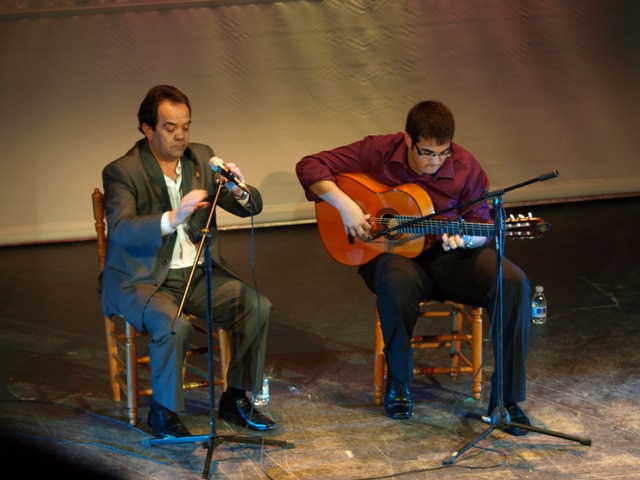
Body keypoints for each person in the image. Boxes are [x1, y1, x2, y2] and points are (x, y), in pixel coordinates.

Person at [296, 100, 532, 436]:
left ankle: (506, 400)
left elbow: (482, 225)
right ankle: (400, 382)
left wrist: (465, 241)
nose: (435, 162)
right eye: (427, 153)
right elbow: (309, 166)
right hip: (393, 256)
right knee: (396, 281)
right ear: (408, 140)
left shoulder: (465, 166)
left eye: (443, 153)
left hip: (449, 257)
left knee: (512, 280)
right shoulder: (379, 150)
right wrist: (345, 205)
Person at [100, 85, 276, 438]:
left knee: (255, 306)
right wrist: (171, 217)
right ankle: (163, 413)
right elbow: (120, 230)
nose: (180, 136)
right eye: (170, 127)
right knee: (174, 326)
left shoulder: (201, 159)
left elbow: (251, 207)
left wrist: (238, 189)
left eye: (186, 126)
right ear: (147, 129)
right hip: (143, 279)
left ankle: (236, 398)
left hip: (196, 273)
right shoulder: (122, 171)